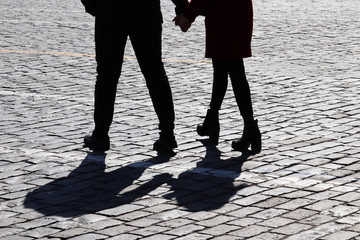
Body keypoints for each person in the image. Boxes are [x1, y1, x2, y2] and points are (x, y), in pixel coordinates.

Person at [80, 0, 188, 152]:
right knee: (155, 73)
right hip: (145, 13)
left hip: (111, 12)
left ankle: (100, 134)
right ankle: (167, 134)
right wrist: (184, 8)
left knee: (107, 75)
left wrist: (93, 5)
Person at [174, 0, 261, 153]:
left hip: (223, 16)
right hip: (237, 12)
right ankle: (214, 121)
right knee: (227, 69)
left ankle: (247, 128)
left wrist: (188, 14)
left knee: (232, 71)